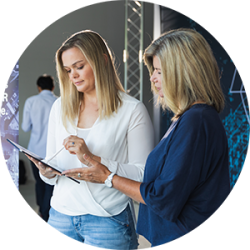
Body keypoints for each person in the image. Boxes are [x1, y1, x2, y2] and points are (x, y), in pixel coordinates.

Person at [62, 28, 231, 248]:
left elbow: (163, 198)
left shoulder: (196, 121)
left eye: (159, 72)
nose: (152, 78)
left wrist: (107, 176)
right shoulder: (190, 118)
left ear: (183, 72)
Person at [26, 30, 154, 250]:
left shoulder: (132, 110)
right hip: (60, 215)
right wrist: (46, 172)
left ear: (102, 60)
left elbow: (143, 174)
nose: (73, 75)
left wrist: (92, 159)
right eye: (67, 70)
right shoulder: (59, 107)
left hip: (107, 219)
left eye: (79, 66)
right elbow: (52, 168)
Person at [22, 74, 57, 222]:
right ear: (53, 87)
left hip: (34, 150)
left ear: (39, 87)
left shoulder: (31, 101)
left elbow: (25, 127)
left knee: (39, 182)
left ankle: (41, 212)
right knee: (51, 184)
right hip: (54, 152)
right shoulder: (58, 101)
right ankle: (46, 213)